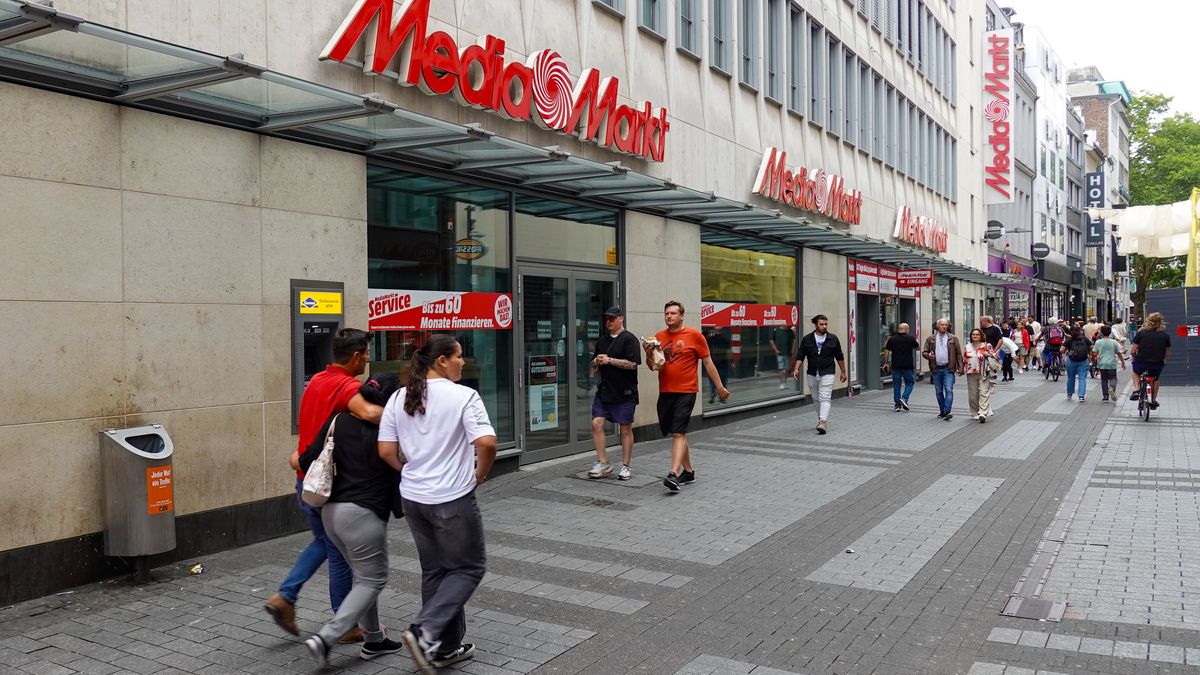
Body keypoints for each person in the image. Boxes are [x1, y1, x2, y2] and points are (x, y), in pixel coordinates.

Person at [378, 334, 497, 673]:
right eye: (459, 356)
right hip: (452, 499)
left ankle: (444, 647)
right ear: (442, 361)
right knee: (469, 568)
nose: (463, 361)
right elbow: (486, 443)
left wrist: (410, 472)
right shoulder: (464, 396)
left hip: (414, 498)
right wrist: (480, 474)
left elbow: (386, 451)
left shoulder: (400, 397)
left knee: (436, 570)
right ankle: (424, 631)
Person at [265, 328, 382, 642]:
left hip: (306, 481)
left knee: (323, 543)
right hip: (331, 487)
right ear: (355, 356)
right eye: (367, 355)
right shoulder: (347, 386)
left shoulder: (316, 380)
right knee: (340, 554)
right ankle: (345, 625)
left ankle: (286, 596)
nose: (369, 360)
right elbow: (370, 413)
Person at [299, 373, 404, 667]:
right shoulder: (390, 428)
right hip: (363, 515)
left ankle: (374, 639)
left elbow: (307, 459)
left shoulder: (339, 420)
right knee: (373, 578)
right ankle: (326, 638)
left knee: (363, 576)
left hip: (331, 512)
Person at [648, 301, 729, 491]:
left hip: (686, 391)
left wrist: (719, 387)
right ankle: (689, 472)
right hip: (666, 391)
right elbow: (653, 366)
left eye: (673, 313)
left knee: (678, 432)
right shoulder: (659, 337)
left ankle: (673, 474)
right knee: (676, 433)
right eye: (666, 313)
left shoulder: (695, 336)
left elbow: (708, 363)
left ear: (682, 316)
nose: (669, 316)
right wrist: (648, 353)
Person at [587, 306, 641, 481]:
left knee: (625, 428)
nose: (608, 322)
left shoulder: (630, 339)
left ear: (621, 319)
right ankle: (603, 462)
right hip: (604, 392)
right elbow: (593, 369)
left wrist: (610, 360)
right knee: (596, 423)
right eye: (606, 319)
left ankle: (625, 466)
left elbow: (633, 364)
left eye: (612, 318)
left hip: (624, 392)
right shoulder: (601, 341)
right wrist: (595, 362)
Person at [792, 314, 847, 435]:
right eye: (821, 324)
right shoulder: (807, 339)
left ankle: (823, 421)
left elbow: (839, 356)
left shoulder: (833, 338)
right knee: (816, 398)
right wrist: (796, 368)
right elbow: (800, 355)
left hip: (827, 371)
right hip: (812, 372)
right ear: (816, 325)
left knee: (825, 397)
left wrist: (843, 371)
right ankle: (821, 418)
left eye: (826, 324)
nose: (824, 326)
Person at [922, 319, 963, 421]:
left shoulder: (953, 338)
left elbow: (958, 353)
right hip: (936, 369)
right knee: (939, 391)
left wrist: (960, 367)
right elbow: (924, 352)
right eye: (942, 325)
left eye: (946, 325)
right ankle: (942, 411)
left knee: (949, 389)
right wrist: (928, 355)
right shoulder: (930, 338)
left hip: (948, 368)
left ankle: (947, 411)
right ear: (937, 326)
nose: (944, 326)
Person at [1130, 312, 1172, 409]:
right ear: (1161, 322)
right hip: (1157, 363)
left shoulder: (1141, 333)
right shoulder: (1165, 336)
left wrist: (1134, 358)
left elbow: (1133, 351)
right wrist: (1164, 360)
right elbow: (1166, 353)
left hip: (1141, 361)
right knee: (1155, 378)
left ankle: (1136, 389)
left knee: (1135, 372)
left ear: (1148, 321)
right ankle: (1153, 400)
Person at [963, 328, 998, 423]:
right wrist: (961, 369)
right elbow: (964, 359)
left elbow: (995, 356)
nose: (975, 336)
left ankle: (982, 412)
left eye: (977, 334)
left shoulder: (986, 345)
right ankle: (974, 413)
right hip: (971, 373)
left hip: (984, 372)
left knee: (983, 392)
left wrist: (988, 354)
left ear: (981, 336)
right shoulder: (967, 346)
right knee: (973, 395)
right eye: (973, 334)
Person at [883, 322, 919, 411]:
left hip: (896, 365)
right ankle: (904, 398)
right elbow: (917, 347)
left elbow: (886, 351)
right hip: (908, 365)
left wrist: (886, 362)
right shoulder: (910, 338)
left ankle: (897, 405)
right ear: (906, 330)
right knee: (910, 383)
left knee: (896, 385)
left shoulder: (892, 339)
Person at [1093, 325, 1125, 402]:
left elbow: (1094, 353)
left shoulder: (1098, 342)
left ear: (1101, 333)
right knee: (1113, 378)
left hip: (1102, 363)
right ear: (1110, 332)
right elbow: (1119, 353)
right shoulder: (1114, 342)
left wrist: (1095, 357)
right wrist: (1123, 362)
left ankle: (1105, 397)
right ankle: (1112, 388)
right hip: (1112, 363)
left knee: (1104, 380)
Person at [1061, 326, 1093, 401]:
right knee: (1082, 378)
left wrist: (1065, 351)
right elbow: (1092, 347)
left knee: (1071, 378)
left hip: (1071, 361)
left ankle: (1069, 394)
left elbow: (1062, 349)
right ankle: (1081, 396)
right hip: (1083, 361)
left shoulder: (1070, 340)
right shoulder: (1085, 339)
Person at [705, 328, 731, 404]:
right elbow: (728, 351)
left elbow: (707, 352)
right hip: (723, 362)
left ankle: (713, 393)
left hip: (713, 362)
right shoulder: (725, 340)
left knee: (712, 380)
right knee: (723, 380)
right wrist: (731, 361)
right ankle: (722, 397)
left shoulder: (710, 340)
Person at [770, 325, 796, 390]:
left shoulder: (789, 331)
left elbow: (794, 340)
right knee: (781, 368)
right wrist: (776, 350)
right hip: (780, 352)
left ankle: (785, 382)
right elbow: (771, 340)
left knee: (787, 368)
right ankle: (782, 383)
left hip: (788, 352)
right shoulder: (776, 330)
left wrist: (792, 349)